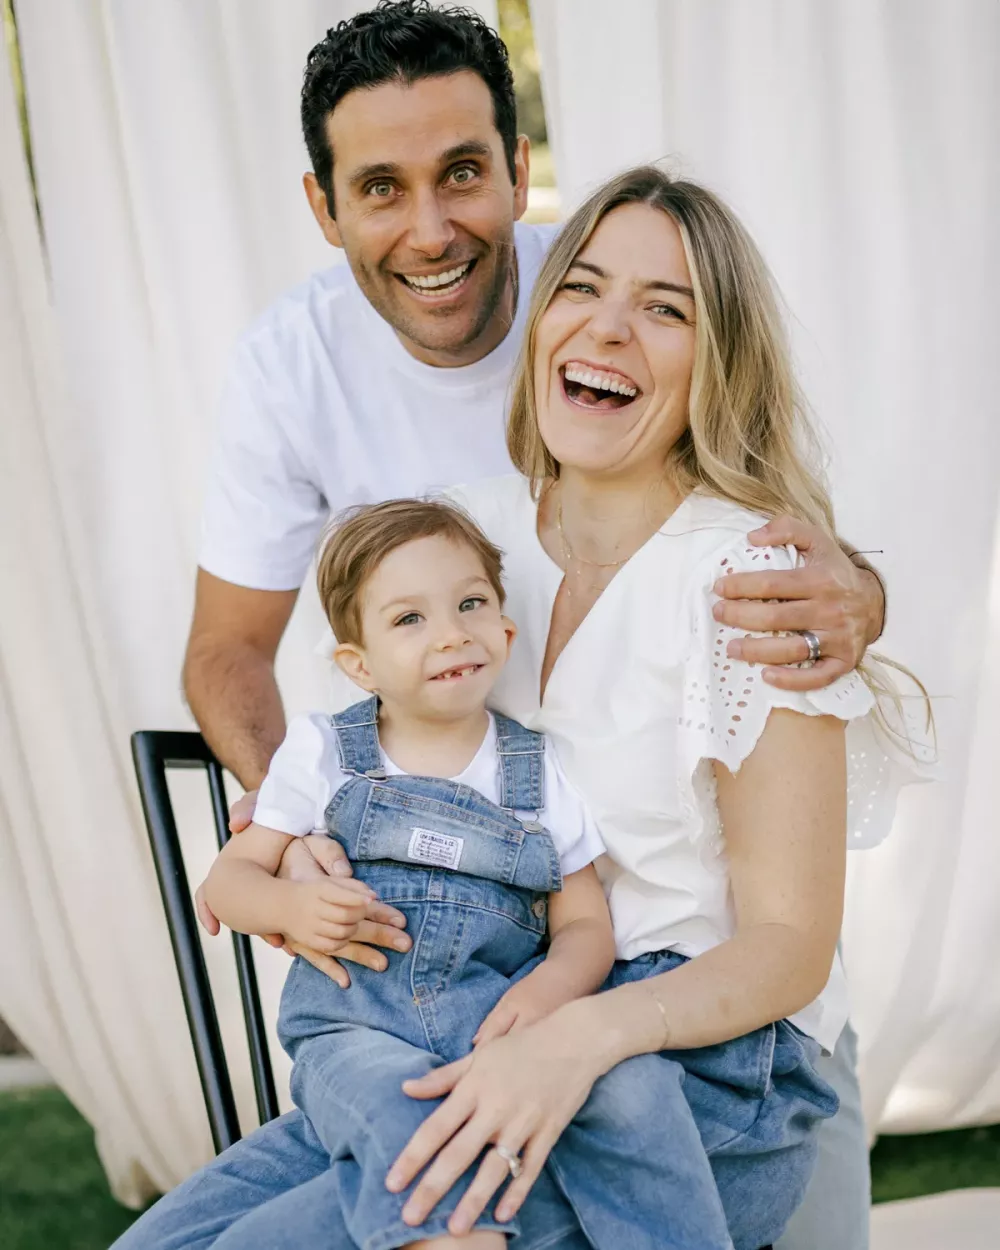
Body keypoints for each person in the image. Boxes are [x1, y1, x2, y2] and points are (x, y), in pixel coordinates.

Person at [133, 6, 888, 1249]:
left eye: (666, 310)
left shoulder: (752, 578)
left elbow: (788, 941)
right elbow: (263, 669)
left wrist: (578, 1034)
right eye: (581, 291)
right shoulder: (466, 539)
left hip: (682, 1059)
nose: (605, 324)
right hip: (484, 1012)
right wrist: (299, 832)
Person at [202, 498, 621, 1248]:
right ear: (358, 665)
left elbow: (586, 922)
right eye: (409, 619)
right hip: (352, 1036)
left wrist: (551, 988)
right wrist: (289, 909)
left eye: (470, 604)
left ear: (505, 631)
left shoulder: (535, 770)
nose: (451, 632)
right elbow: (227, 885)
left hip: (483, 1044)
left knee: (425, 1129)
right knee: (402, 1111)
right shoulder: (325, 752)